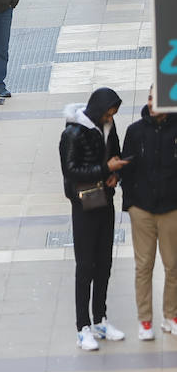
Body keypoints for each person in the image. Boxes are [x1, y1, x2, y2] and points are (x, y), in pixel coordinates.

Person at [60, 87, 127, 352]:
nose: (112, 116)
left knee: (104, 263)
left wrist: (116, 175)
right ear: (99, 109)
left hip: (105, 199)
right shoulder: (73, 133)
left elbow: (116, 154)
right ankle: (82, 326)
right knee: (85, 265)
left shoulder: (109, 126)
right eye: (110, 111)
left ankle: (100, 319)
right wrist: (104, 170)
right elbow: (70, 169)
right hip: (84, 202)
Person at [121, 86, 177, 341]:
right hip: (142, 210)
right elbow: (126, 169)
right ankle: (145, 321)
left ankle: (171, 315)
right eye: (151, 97)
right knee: (144, 266)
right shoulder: (135, 131)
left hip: (171, 209)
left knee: (173, 265)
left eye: (158, 97)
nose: (153, 102)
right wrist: (131, 204)